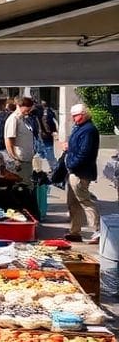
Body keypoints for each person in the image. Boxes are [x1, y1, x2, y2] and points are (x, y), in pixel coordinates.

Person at [62, 103, 101, 243]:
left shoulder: (88, 130)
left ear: (84, 114)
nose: (73, 119)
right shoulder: (81, 128)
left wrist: (71, 163)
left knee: (84, 200)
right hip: (75, 170)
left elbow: (84, 152)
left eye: (76, 116)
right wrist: (69, 147)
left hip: (81, 171)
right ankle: (75, 231)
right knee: (73, 202)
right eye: (72, 116)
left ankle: (97, 230)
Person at [4, 96, 37, 181]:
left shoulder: (23, 119)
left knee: (28, 183)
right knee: (23, 184)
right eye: (26, 110)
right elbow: (9, 140)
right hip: (20, 161)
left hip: (27, 160)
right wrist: (14, 158)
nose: (27, 112)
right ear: (19, 106)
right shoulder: (14, 119)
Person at [33, 100, 58, 165]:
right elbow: (53, 121)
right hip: (46, 135)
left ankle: (53, 168)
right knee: (49, 152)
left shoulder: (37, 113)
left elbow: (44, 123)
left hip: (41, 135)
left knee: (43, 152)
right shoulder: (49, 111)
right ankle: (53, 168)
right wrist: (53, 131)